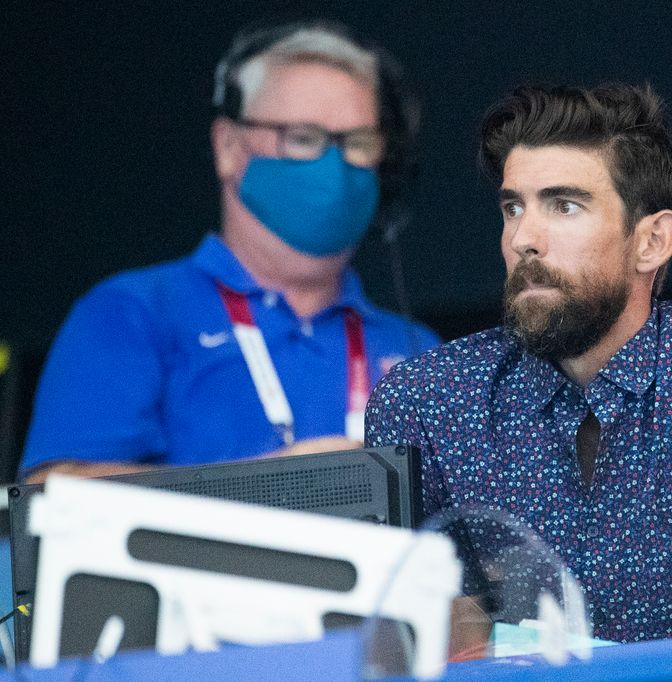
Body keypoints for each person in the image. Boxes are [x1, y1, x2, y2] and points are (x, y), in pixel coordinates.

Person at [366, 83, 672, 643]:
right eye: (513, 207)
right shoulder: (427, 401)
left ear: (652, 241)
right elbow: (442, 661)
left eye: (565, 205)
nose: (523, 238)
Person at [20, 18, 439, 482]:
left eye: (358, 143)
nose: (334, 165)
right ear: (228, 147)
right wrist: (274, 486)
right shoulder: (132, 313)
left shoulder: (420, 351)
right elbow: (50, 498)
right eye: (303, 138)